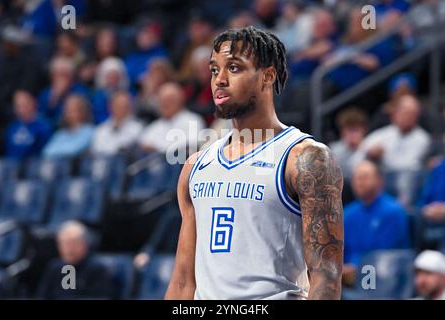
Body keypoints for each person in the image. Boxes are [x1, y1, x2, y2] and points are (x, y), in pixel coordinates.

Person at [165, 26, 344, 300]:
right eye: (214, 70)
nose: (219, 80)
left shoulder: (305, 157)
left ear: (267, 76)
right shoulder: (195, 166)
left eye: (234, 68)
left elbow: (326, 276)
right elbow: (182, 282)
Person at [342, 161, 410, 286]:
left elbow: (386, 254)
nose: (359, 183)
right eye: (356, 179)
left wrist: (357, 267)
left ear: (379, 181)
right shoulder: (348, 213)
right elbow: (341, 250)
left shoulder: (392, 212)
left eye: (364, 177)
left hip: (381, 276)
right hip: (347, 276)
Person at [37, 220, 115, 299]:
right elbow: (43, 296)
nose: (67, 249)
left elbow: (103, 297)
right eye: (63, 243)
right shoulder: (54, 267)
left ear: (84, 244)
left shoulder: (98, 269)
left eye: (72, 243)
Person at [140, 82, 205, 154]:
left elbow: (191, 145)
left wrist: (157, 147)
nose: (165, 104)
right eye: (162, 100)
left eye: (170, 99)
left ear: (180, 99)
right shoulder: (156, 125)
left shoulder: (193, 120)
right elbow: (144, 144)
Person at [91, 91, 144, 155]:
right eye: (118, 105)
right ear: (110, 106)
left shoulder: (138, 128)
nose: (122, 109)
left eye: (125, 106)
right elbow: (97, 151)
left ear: (130, 107)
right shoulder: (100, 130)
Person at [42, 94, 94, 159]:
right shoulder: (60, 133)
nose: (68, 112)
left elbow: (74, 150)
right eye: (67, 109)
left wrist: (58, 149)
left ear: (82, 110)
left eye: (73, 109)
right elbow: (47, 152)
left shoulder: (89, 131)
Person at [5, 90, 52, 159]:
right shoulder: (12, 127)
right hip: (11, 166)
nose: (21, 110)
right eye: (18, 106)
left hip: (33, 166)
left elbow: (45, 153)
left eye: (24, 105)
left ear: (33, 104)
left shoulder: (44, 127)